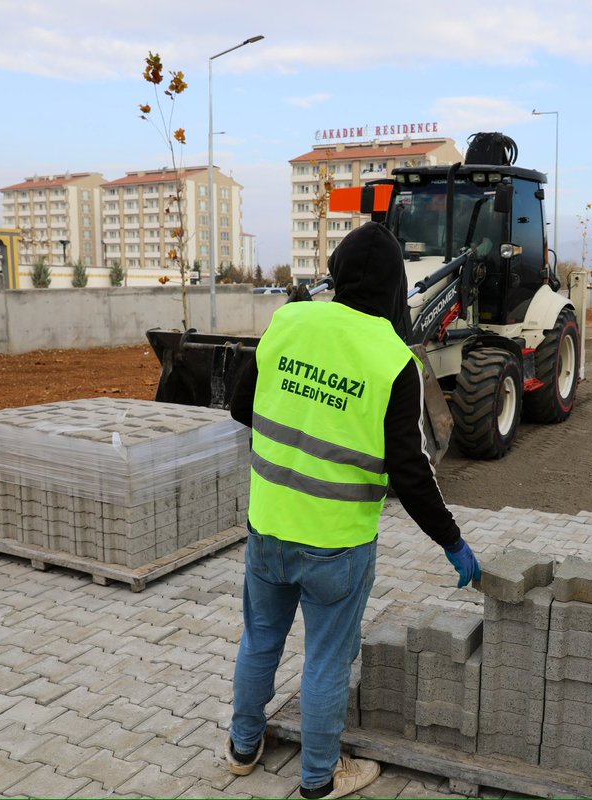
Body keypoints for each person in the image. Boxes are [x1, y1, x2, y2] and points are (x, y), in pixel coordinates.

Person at [224, 221, 481, 798]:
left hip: (268, 526)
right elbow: (411, 474)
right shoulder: (392, 359)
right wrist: (452, 541)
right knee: (325, 662)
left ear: (337, 271)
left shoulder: (288, 320)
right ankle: (318, 779)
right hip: (337, 544)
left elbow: (242, 406)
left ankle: (243, 749)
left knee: (260, 639)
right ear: (394, 286)